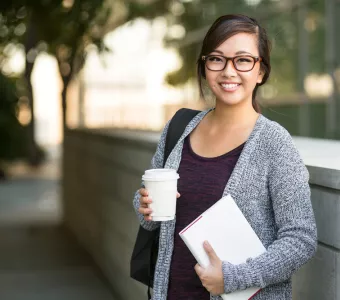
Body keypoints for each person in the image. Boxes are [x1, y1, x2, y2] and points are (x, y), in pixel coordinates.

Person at [133, 14, 317, 300]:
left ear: (261, 71)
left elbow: (300, 239)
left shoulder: (275, 143)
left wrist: (233, 278)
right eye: (217, 59)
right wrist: (144, 205)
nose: (229, 71)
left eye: (243, 60)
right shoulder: (179, 128)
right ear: (205, 66)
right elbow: (151, 211)